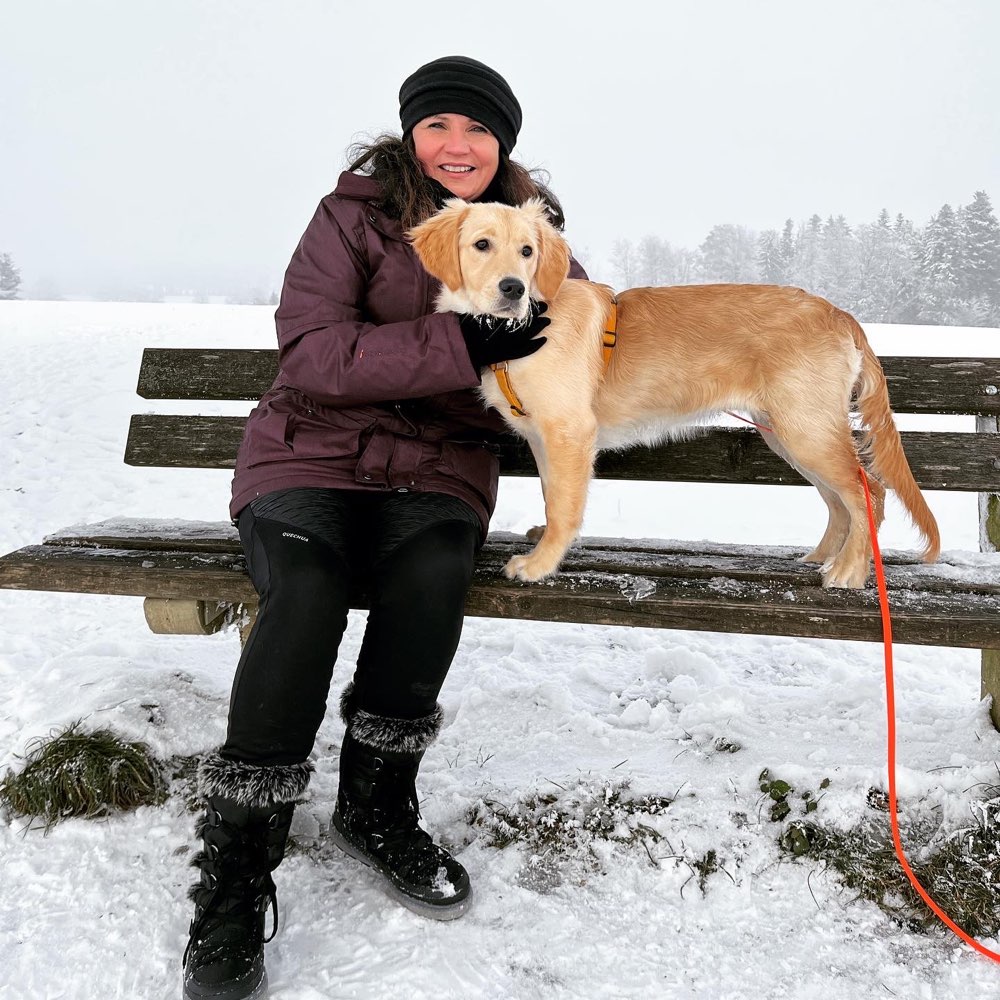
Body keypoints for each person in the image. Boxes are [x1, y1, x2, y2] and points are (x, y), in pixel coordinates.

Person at [182, 55, 588, 1000]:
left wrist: (722, 364)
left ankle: (376, 806)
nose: (459, 146)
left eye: (479, 131)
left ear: (503, 146)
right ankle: (238, 873)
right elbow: (314, 353)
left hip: (441, 470)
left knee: (436, 572)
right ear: (412, 136)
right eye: (440, 126)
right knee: (309, 591)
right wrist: (462, 344)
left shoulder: (534, 235)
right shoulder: (350, 219)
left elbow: (581, 338)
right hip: (308, 455)